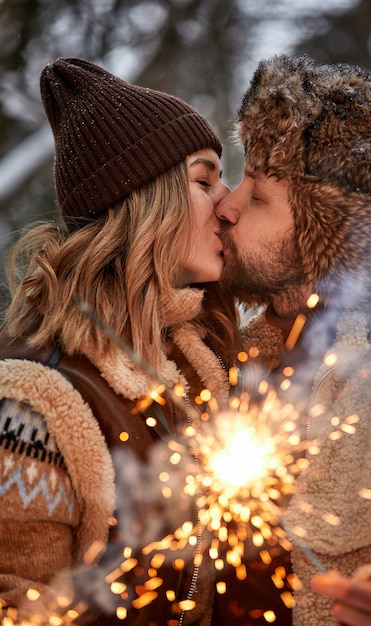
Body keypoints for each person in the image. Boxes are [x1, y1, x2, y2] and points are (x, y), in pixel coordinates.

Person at [0, 57, 242, 625]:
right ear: (143, 200)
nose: (227, 205)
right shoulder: (32, 401)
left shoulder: (194, 357)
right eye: (204, 180)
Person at [215, 53, 371, 626]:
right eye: (241, 176)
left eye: (258, 198)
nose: (227, 205)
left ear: (329, 236)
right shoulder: (225, 355)